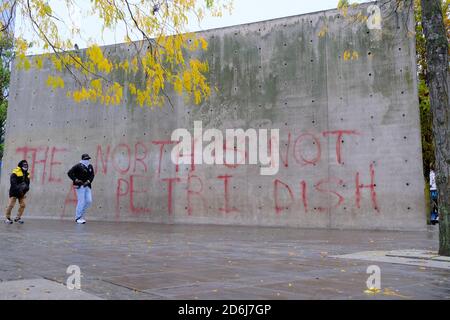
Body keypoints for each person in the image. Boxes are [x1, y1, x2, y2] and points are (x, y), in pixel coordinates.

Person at [67, 154, 95, 224]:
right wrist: (76, 180)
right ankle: (78, 217)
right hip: (80, 186)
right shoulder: (78, 166)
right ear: (82, 159)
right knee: (81, 201)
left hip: (87, 186)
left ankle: (81, 215)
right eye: (85, 159)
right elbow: (69, 173)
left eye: (88, 159)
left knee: (89, 201)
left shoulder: (90, 166)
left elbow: (92, 175)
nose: (87, 160)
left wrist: (88, 181)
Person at [4, 160, 30, 224]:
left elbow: (27, 184)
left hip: (21, 192)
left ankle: (17, 218)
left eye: (26, 165)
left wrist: (25, 190)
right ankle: (7, 218)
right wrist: (19, 189)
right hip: (14, 192)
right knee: (11, 205)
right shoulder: (15, 172)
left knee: (23, 205)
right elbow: (13, 183)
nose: (25, 166)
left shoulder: (27, 174)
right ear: (21, 165)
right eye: (24, 165)